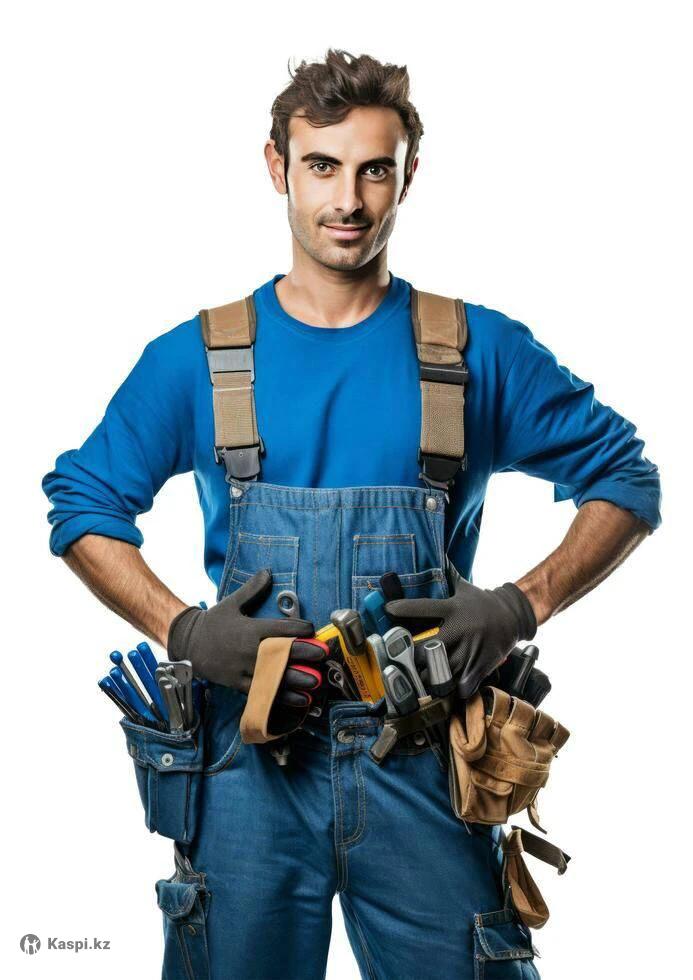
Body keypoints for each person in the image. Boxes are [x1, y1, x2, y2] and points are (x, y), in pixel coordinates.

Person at [42, 48, 661, 980]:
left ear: (407, 175)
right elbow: (83, 502)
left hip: (426, 759)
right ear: (277, 168)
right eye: (322, 166)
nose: (348, 200)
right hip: (249, 765)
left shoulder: (472, 351)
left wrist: (516, 607)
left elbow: (625, 478)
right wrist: (183, 629)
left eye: (374, 169)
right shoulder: (202, 359)